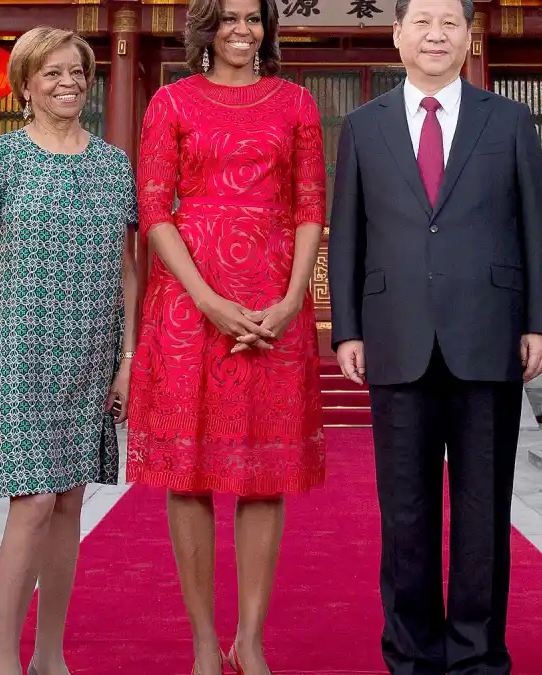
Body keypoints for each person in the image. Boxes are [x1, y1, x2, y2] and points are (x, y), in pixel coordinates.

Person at [327, 0, 542, 670]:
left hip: (489, 337)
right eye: (422, 22)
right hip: (395, 337)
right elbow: (349, 233)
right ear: (397, 35)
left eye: (449, 22)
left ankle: (478, 657)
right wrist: (347, 328)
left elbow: (537, 228)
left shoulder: (507, 120)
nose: (436, 34)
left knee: (483, 513)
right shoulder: (364, 126)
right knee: (405, 514)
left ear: (468, 36)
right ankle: (411, 654)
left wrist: (541, 322)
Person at [126, 0, 326, 671]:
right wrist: (206, 299)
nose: (243, 30)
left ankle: (252, 640)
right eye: (229, 18)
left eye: (253, 18)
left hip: (273, 304)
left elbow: (310, 205)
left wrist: (293, 299)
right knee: (188, 475)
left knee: (264, 476)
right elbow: (154, 208)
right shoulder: (171, 102)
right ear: (205, 27)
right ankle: (204, 645)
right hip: (190, 305)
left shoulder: (296, 102)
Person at [0, 26, 140, 675]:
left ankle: (50, 655)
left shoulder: (114, 164)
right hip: (18, 352)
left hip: (89, 354)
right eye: (52, 73)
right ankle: (6, 659)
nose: (68, 83)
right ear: (26, 85)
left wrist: (128, 361)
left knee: (67, 501)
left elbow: (128, 270)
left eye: (77, 72)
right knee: (33, 501)